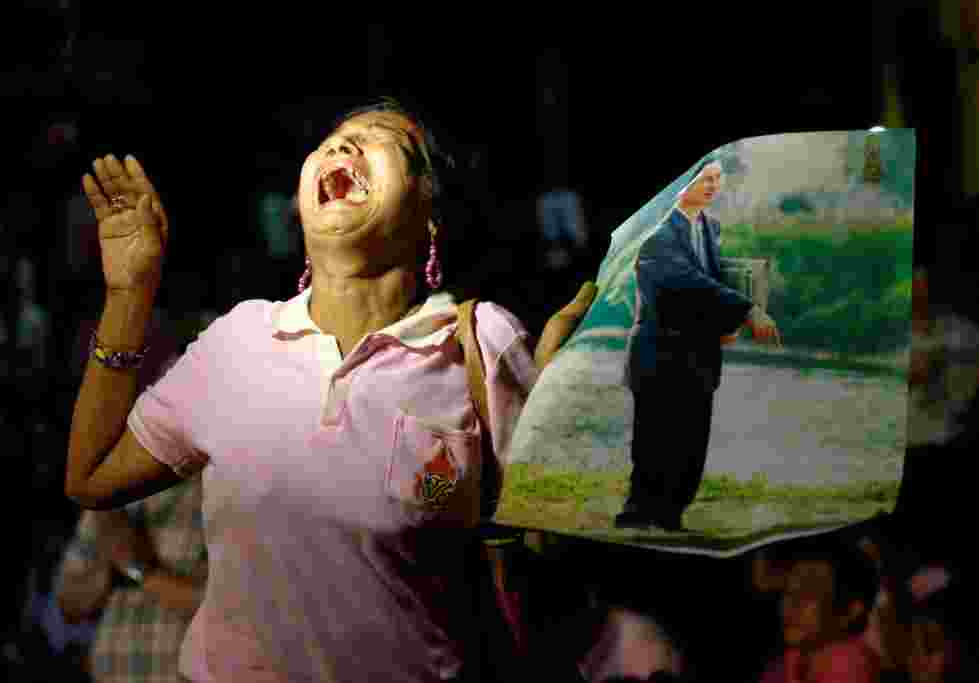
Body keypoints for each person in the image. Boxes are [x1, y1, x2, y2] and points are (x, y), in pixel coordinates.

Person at [65, 98, 590, 682]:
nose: (342, 147)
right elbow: (92, 476)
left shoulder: (479, 343)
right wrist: (130, 294)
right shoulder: (237, 341)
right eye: (334, 139)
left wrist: (557, 414)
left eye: (379, 139)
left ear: (427, 214)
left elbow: (551, 560)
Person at [616, 160, 780, 531]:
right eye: (704, 178)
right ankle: (640, 514)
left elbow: (711, 281)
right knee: (654, 442)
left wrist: (726, 324)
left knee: (691, 444)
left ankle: (671, 514)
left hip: (700, 357)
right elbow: (685, 281)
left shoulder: (710, 228)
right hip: (659, 354)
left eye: (717, 179)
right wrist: (748, 310)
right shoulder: (656, 232)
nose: (712, 185)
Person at [56, 477, 207, 683]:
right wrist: (106, 550)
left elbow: (235, 609)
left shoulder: (224, 486)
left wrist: (141, 571)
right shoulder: (116, 489)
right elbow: (70, 604)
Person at [760, 541, 881, 683]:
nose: (791, 605)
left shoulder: (848, 664)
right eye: (788, 592)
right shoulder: (787, 662)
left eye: (808, 593)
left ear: (850, 611)